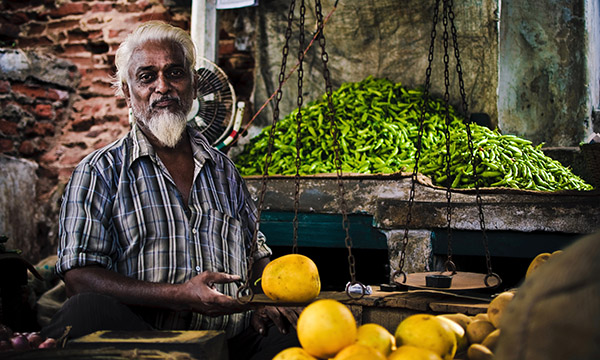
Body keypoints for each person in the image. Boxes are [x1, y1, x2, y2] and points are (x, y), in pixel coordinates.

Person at [41, 21, 300, 360]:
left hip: (233, 343)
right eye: (146, 76)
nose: (163, 86)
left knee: (298, 334)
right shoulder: (99, 171)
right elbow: (79, 278)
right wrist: (178, 294)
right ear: (126, 90)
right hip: (142, 344)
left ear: (193, 85)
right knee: (84, 311)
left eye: (175, 73)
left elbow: (257, 259)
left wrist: (264, 302)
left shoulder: (224, 171)